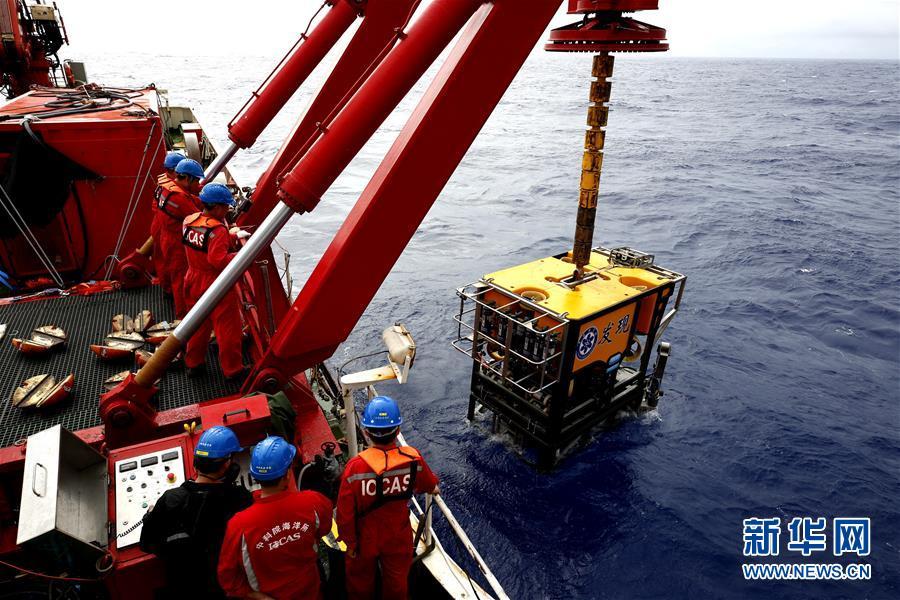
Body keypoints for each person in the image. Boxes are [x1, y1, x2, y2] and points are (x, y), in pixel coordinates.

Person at [336, 396, 440, 600]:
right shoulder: (413, 459)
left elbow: (344, 514)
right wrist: (433, 488)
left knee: (360, 581)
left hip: (364, 536)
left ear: (367, 433)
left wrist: (350, 543)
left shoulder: (355, 468)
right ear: (398, 430)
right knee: (397, 582)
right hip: (397, 534)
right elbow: (429, 485)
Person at [139, 425, 252, 599]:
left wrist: (150, 516)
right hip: (225, 588)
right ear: (227, 465)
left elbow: (146, 544)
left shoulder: (171, 499)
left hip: (183, 588)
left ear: (195, 462)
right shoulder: (240, 499)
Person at [219, 436, 333, 600]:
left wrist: (254, 595)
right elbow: (325, 528)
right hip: (311, 591)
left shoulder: (238, 525)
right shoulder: (313, 502)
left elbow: (227, 577)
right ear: (287, 474)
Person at [181, 182, 248, 382]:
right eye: (226, 206)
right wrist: (241, 254)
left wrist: (230, 236)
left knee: (197, 325)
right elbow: (217, 260)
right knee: (227, 328)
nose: (228, 210)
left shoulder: (189, 221)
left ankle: (194, 364)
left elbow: (204, 243)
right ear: (217, 207)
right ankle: (233, 370)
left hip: (192, 277)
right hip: (214, 284)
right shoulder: (217, 230)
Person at [157, 157, 203, 317]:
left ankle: (171, 295)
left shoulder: (168, 187)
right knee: (181, 279)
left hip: (166, 236)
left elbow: (191, 200)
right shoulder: (179, 198)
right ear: (188, 178)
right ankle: (184, 318)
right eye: (196, 181)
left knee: (174, 274)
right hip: (176, 243)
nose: (198, 184)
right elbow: (198, 219)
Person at [151, 151, 185, 294]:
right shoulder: (175, 193)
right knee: (175, 267)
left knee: (163, 260)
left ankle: (167, 287)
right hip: (167, 228)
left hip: (160, 223)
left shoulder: (164, 183)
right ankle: (171, 291)